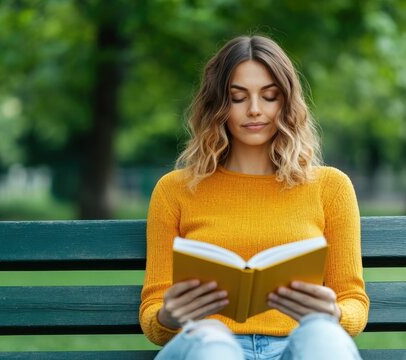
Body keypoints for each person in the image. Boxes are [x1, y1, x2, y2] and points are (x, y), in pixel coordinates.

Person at [139, 35, 369, 360]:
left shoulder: (330, 187)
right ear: (217, 105)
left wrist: (334, 312)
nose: (255, 110)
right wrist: (169, 316)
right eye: (237, 98)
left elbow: (353, 300)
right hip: (207, 349)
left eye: (270, 96)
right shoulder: (174, 190)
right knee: (212, 338)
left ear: (286, 102)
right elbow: (153, 315)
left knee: (322, 334)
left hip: (295, 347)